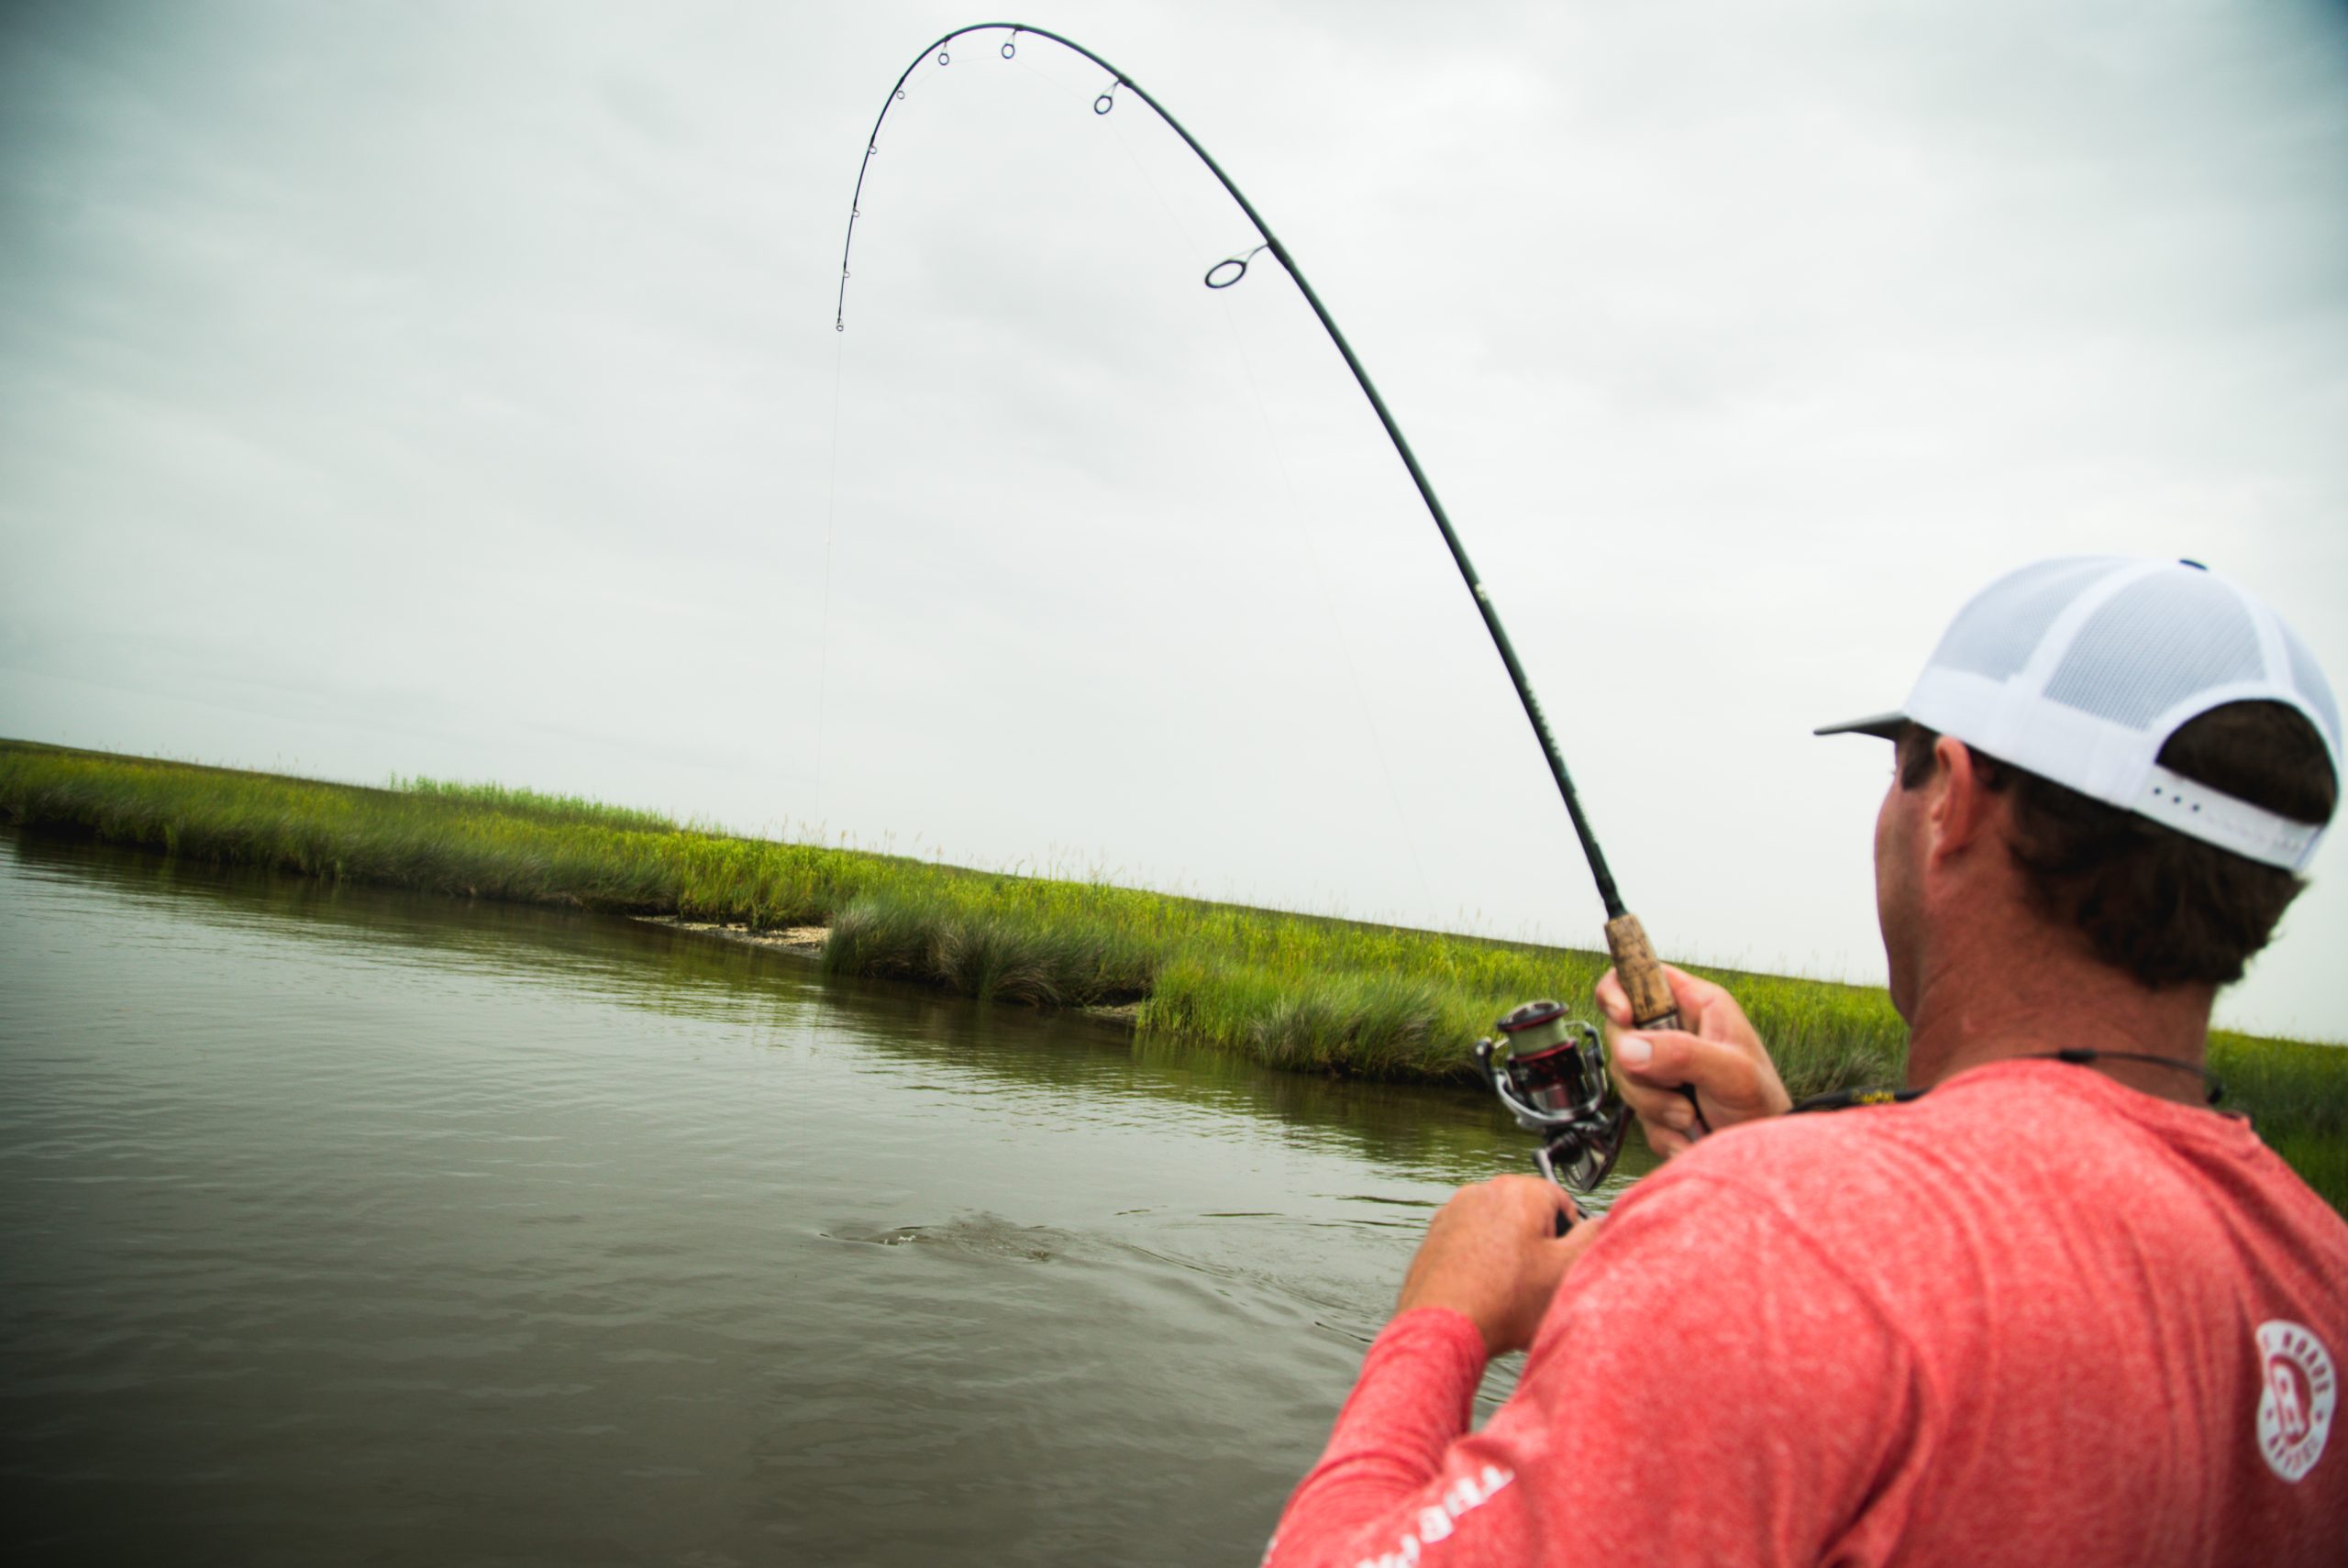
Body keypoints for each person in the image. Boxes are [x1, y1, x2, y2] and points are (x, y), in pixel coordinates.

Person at [1263, 557, 2346, 1567]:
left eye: (1898, 770)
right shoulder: (2319, 1275)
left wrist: (1441, 1318)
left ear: (1952, 798)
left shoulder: (1774, 1240)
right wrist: (1782, 1151)